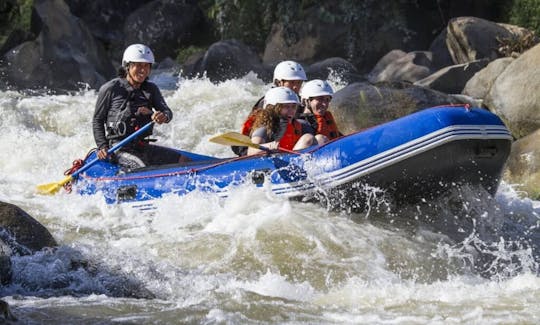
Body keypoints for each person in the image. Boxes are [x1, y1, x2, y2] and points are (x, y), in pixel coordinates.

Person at [93, 43, 187, 170]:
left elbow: (168, 112)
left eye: (147, 66)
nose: (143, 70)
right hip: (118, 148)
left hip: (141, 146)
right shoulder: (110, 89)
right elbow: (98, 120)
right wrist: (102, 147)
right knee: (142, 168)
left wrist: (162, 116)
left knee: (183, 161)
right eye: (138, 65)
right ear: (127, 66)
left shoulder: (151, 89)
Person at [232, 60, 307, 156]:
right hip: (261, 149)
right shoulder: (268, 103)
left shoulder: (299, 101)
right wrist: (270, 146)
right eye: (292, 82)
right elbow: (258, 132)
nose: (296, 86)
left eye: (299, 82)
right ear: (279, 82)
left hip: (286, 145)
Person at [247, 87, 315, 155]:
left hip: (296, 160)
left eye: (293, 106)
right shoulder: (264, 128)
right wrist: (269, 146)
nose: (291, 111)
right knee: (308, 138)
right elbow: (251, 151)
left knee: (321, 138)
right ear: (273, 108)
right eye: (286, 106)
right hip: (276, 163)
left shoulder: (303, 125)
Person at [298, 79, 343, 144]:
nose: (324, 104)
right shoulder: (300, 124)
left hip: (333, 151)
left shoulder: (326, 118)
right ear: (306, 101)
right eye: (320, 99)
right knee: (321, 139)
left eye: (327, 99)